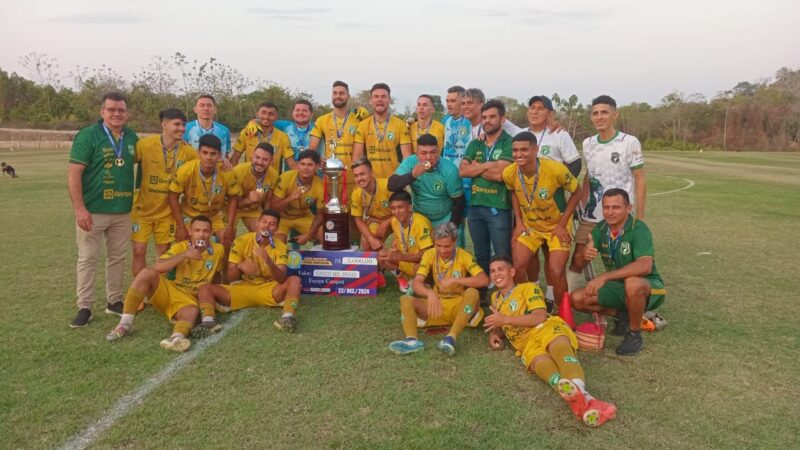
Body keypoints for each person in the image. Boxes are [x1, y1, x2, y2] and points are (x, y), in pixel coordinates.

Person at [484, 256, 617, 427]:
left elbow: (539, 317)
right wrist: (495, 332)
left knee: (561, 350)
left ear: (512, 272)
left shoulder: (528, 288)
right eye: (493, 271)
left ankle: (580, 392)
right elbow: (502, 321)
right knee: (549, 373)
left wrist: (504, 320)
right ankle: (587, 404)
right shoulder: (495, 297)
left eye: (500, 269)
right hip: (526, 345)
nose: (496, 274)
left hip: (545, 328)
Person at [67, 92, 138, 327]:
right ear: (102, 112)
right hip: (93, 210)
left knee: (117, 258)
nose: (116, 114)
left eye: (121, 110)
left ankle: (114, 301)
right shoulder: (89, 135)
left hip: (122, 209)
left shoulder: (131, 137)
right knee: (88, 258)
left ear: (126, 113)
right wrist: (80, 209)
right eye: (111, 110)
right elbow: (74, 173)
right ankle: (84, 307)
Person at [105, 216, 224, 352]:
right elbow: (159, 266)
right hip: (172, 291)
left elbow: (217, 277)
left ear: (211, 232)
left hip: (190, 301)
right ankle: (124, 324)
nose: (201, 235)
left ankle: (176, 338)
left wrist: (213, 300)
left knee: (192, 311)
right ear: (190, 231)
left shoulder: (218, 249)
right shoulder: (180, 247)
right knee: (146, 273)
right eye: (197, 230)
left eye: (206, 231)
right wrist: (185, 254)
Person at [570, 189, 665, 356]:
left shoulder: (639, 229)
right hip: (618, 286)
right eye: (606, 207)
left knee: (632, 283)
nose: (610, 212)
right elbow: (578, 263)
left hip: (649, 286)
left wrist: (605, 276)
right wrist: (585, 253)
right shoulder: (601, 228)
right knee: (577, 299)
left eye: (616, 207)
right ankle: (624, 315)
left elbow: (645, 266)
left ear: (628, 208)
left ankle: (634, 335)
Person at [567, 95, 646, 292]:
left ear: (614, 115)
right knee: (578, 257)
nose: (599, 117)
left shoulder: (629, 142)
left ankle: (629, 307)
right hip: (593, 214)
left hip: (620, 215)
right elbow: (589, 176)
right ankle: (565, 304)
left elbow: (640, 179)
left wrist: (640, 219)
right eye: (595, 113)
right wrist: (583, 205)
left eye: (604, 112)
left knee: (623, 262)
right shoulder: (588, 143)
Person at [503, 132, 582, 310]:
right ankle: (529, 305)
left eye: (524, 149)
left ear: (536, 149)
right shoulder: (509, 172)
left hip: (556, 227)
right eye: (515, 150)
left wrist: (562, 225)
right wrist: (519, 224)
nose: (518, 154)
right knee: (517, 267)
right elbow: (513, 192)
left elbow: (577, 192)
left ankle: (564, 314)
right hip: (531, 227)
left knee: (555, 271)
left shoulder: (555, 169)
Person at [388, 222, 488, 356]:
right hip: (436, 306)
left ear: (455, 242)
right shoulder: (429, 254)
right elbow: (417, 282)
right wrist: (429, 293)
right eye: (438, 245)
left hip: (459, 307)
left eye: (447, 246)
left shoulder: (464, 255)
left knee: (472, 292)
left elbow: (484, 280)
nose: (442, 250)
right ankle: (411, 341)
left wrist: (455, 280)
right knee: (405, 299)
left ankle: (450, 338)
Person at [197, 210, 303, 333]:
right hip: (242, 288)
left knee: (295, 280)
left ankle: (288, 317)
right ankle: (208, 321)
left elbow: (281, 279)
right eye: (263, 221)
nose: (266, 226)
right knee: (204, 288)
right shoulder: (241, 241)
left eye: (271, 224)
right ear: (257, 223)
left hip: (268, 289)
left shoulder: (280, 246)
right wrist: (240, 266)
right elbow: (231, 278)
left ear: (277, 228)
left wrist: (268, 261)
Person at [523, 95, 582, 293]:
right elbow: (496, 124)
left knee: (551, 251)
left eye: (540, 108)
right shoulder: (521, 133)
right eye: (532, 107)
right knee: (530, 252)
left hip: (553, 202)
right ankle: (533, 290)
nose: (535, 111)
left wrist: (557, 185)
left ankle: (550, 295)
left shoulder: (559, 135)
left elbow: (575, 163)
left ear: (550, 114)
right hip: (528, 204)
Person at [131, 108, 197, 276]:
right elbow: (124, 165)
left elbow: (203, 166)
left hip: (167, 212)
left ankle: (158, 291)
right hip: (142, 210)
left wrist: (224, 161)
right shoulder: (144, 145)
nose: (182, 128)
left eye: (183, 125)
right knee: (139, 251)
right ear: (164, 125)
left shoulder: (188, 151)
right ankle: (140, 293)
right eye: (177, 124)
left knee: (164, 252)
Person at [459, 99, 514, 282]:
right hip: (475, 206)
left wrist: (477, 166)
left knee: (502, 253)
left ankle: (506, 293)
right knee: (480, 254)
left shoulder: (509, 142)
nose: (487, 121)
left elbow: (501, 174)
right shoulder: (476, 143)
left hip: (498, 207)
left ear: (502, 119)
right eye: (484, 117)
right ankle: (482, 292)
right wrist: (489, 165)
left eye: (492, 117)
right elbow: (463, 171)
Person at [168, 134, 240, 247]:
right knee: (183, 244)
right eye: (205, 153)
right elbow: (172, 196)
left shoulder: (227, 172)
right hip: (190, 214)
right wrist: (180, 225)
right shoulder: (186, 170)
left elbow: (233, 198)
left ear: (220, 155)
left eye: (213, 154)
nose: (208, 157)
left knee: (227, 242)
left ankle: (222, 264)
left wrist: (230, 226)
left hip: (215, 215)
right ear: (198, 153)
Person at [308, 80, 370, 198]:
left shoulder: (358, 118)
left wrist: (368, 118)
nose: (338, 96)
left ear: (348, 96)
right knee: (332, 212)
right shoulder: (322, 120)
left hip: (354, 177)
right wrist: (319, 158)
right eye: (335, 93)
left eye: (342, 93)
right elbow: (311, 149)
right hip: (330, 177)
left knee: (353, 213)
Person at [388, 134, 465, 228]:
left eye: (433, 152)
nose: (429, 157)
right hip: (420, 218)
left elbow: (459, 202)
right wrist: (412, 175)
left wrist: (451, 227)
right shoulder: (410, 162)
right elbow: (391, 185)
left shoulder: (450, 170)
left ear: (438, 152)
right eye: (423, 153)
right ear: (417, 154)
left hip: (444, 218)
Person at [352, 83, 412, 179]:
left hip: (393, 181)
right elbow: (357, 157)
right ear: (371, 101)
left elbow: (407, 158)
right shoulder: (362, 125)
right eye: (376, 97)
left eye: (383, 96)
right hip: (370, 182)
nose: (380, 99)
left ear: (389, 100)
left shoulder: (400, 125)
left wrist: (399, 179)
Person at [378, 191, 434, 293]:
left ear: (410, 208)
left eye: (400, 207)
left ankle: (424, 283)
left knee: (420, 266)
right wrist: (394, 250)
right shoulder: (394, 221)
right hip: (405, 260)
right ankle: (402, 277)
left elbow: (426, 255)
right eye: (393, 208)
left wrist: (399, 257)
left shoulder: (421, 223)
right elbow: (400, 240)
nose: (396, 212)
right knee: (382, 256)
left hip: (418, 263)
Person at [270, 149, 325, 245]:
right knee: (278, 243)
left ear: (317, 166)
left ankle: (320, 259)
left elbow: (320, 215)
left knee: (325, 235)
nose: (306, 168)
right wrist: (289, 198)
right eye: (303, 164)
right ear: (298, 164)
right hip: (282, 217)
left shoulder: (320, 186)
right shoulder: (286, 177)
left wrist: (308, 235)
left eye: (310, 165)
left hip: (303, 216)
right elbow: (273, 207)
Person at [441, 85, 473, 248]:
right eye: (447, 101)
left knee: (473, 227)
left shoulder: (472, 121)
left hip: (471, 182)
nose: (449, 104)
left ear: (463, 102)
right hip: (451, 182)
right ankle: (457, 264)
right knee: (455, 225)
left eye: (453, 101)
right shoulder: (445, 121)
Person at [229, 142, 279, 232]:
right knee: (227, 237)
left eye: (265, 159)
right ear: (252, 156)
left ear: (272, 161)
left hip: (253, 210)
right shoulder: (238, 171)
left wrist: (265, 219)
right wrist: (248, 200)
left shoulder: (274, 175)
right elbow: (234, 203)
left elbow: (268, 200)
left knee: (263, 233)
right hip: (232, 209)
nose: (260, 162)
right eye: (257, 157)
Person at [231, 102, 294, 170]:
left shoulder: (283, 136)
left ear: (276, 117)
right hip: (249, 178)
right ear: (257, 114)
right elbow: (235, 158)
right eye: (263, 113)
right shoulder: (247, 132)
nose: (266, 117)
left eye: (271, 114)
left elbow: (291, 162)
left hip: (272, 179)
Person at [350, 158, 392, 252]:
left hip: (396, 220)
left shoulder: (387, 186)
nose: (359, 179)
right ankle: (373, 266)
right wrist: (371, 239)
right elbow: (358, 220)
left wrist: (385, 223)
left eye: (362, 174)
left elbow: (402, 212)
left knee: (394, 245)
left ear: (371, 173)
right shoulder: (356, 193)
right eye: (356, 176)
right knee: (367, 240)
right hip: (376, 222)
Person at [184, 94, 232, 163]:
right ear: (195, 109)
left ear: (215, 109)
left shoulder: (224, 131)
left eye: (209, 105)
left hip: (217, 172)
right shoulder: (185, 129)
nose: (206, 108)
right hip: (192, 172)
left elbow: (225, 156)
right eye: (202, 105)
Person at [274, 99, 314, 171]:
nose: (300, 113)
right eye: (297, 110)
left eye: (304, 111)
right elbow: (265, 120)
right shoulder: (284, 126)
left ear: (311, 114)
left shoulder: (318, 128)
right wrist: (253, 123)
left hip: (311, 172)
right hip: (288, 173)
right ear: (293, 113)